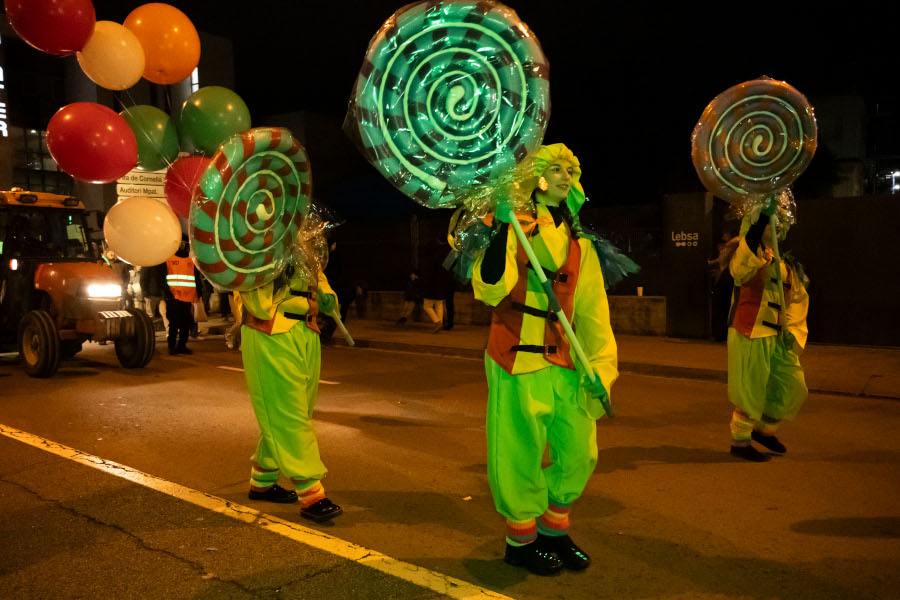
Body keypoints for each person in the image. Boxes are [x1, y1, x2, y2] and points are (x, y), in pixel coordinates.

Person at [472, 143, 618, 575]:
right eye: (556, 168)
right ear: (535, 177)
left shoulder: (581, 245)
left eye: (571, 170)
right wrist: (502, 227)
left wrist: (601, 367)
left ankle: (554, 529)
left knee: (579, 452)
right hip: (515, 358)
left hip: (566, 362)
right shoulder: (514, 227)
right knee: (518, 451)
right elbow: (490, 289)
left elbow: (594, 313)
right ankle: (521, 539)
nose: (565, 176)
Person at [238, 259, 343, 523]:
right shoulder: (258, 241)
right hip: (270, 330)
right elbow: (244, 278)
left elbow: (316, 276)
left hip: (306, 329)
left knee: (294, 411)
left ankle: (262, 481)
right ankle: (311, 492)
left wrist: (326, 295)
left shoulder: (304, 243)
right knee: (288, 413)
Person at [723, 199, 809, 462]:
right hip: (750, 332)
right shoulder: (747, 255)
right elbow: (741, 266)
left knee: (791, 385)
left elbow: (798, 299)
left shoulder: (785, 264)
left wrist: (793, 332)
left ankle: (764, 431)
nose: (778, 226)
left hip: (778, 337)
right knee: (751, 389)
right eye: (775, 221)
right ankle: (740, 442)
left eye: (781, 222)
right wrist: (760, 220)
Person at [164, 238, 199, 355]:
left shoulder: (191, 259)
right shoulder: (168, 258)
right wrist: (167, 293)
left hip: (187, 297)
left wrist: (198, 293)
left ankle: (181, 346)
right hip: (174, 297)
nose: (181, 244)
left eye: (183, 242)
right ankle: (172, 347)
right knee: (174, 324)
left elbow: (196, 277)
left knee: (186, 324)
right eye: (180, 242)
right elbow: (162, 277)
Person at [141, 261, 169, 329]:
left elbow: (143, 279)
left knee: (163, 313)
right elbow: (143, 280)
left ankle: (167, 330)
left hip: (157, 294)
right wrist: (145, 293)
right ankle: (150, 330)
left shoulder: (148, 264)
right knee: (161, 313)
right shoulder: (161, 264)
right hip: (154, 294)